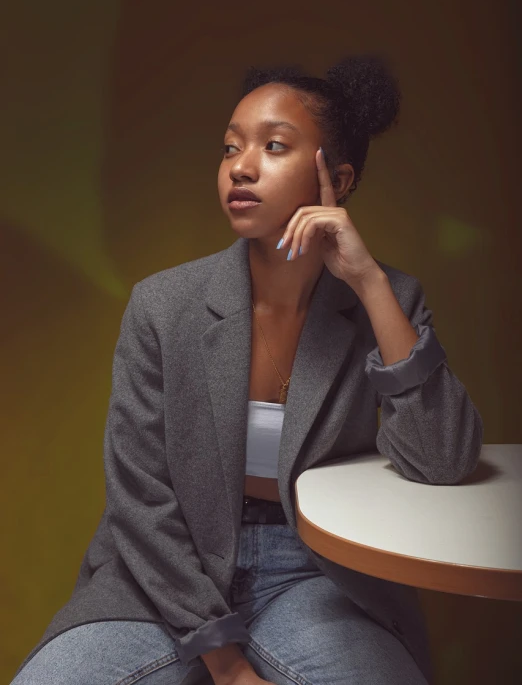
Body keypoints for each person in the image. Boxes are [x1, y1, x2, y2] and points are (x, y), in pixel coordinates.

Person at [11, 55, 484, 685]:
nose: (241, 165)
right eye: (230, 147)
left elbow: (443, 458)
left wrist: (369, 284)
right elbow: (142, 502)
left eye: (275, 145)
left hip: (317, 572)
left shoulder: (388, 300)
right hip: (162, 577)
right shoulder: (163, 305)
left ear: (337, 180)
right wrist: (228, 666)